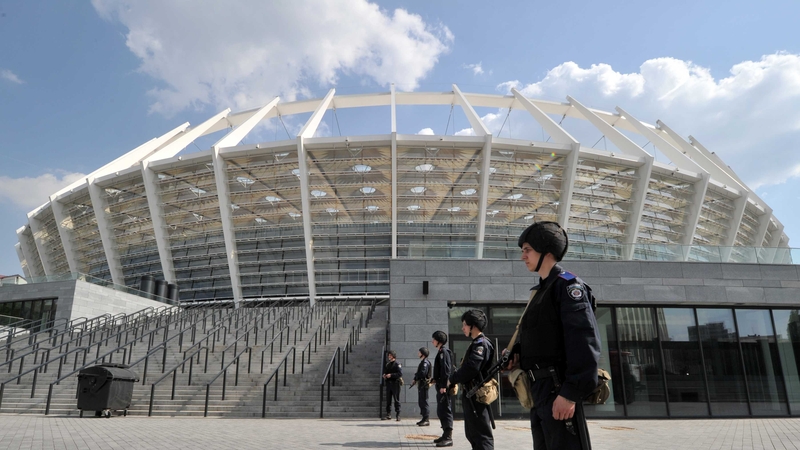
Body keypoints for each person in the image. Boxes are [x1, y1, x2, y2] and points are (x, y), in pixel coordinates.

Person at [511, 221, 601, 450]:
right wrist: (517, 353)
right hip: (538, 391)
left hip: (557, 388)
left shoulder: (568, 287)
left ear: (546, 251)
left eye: (527, 250)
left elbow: (583, 341)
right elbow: (544, 338)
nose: (523, 256)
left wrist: (570, 394)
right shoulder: (540, 292)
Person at [449, 310, 494, 450]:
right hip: (471, 395)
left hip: (477, 397)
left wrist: (452, 379)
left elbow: (471, 368)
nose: (463, 328)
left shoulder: (481, 344)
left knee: (481, 436)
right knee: (472, 433)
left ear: (473, 326)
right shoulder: (476, 343)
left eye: (464, 324)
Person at [432, 331, 454, 447]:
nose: (432, 341)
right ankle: (445, 433)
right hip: (440, 385)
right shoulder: (441, 352)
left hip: (443, 387)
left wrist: (444, 386)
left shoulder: (443, 352)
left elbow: (446, 370)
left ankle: (448, 437)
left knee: (445, 410)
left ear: (439, 341)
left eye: (434, 339)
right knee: (441, 410)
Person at [411, 347, 432, 426]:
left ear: (423, 354)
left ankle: (426, 419)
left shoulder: (425, 363)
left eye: (419, 352)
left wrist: (416, 376)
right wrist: (415, 378)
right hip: (421, 385)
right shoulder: (423, 362)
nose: (418, 353)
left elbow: (423, 373)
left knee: (424, 402)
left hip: (424, 384)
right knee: (421, 402)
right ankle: (424, 418)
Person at [382, 350, 403, 421]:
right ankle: (388, 414)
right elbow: (385, 372)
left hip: (395, 384)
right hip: (389, 384)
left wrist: (391, 375)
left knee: (396, 399)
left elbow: (399, 374)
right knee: (388, 400)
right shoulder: (388, 364)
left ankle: (398, 414)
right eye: (388, 355)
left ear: (393, 356)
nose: (389, 357)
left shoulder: (397, 364)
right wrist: (384, 375)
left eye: (390, 355)